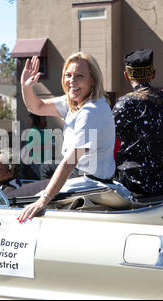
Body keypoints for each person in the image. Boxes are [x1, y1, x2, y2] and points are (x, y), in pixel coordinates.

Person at [17, 52, 116, 222]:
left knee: (14, 198)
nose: (72, 80)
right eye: (68, 75)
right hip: (79, 177)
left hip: (89, 183)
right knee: (19, 191)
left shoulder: (90, 111)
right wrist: (26, 86)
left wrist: (44, 199)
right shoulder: (75, 102)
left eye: (79, 76)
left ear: (93, 80)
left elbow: (71, 160)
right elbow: (37, 106)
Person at [113, 49, 163, 196]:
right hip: (161, 181)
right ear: (153, 74)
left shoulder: (126, 102)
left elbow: (106, 137)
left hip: (130, 184)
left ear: (126, 75)